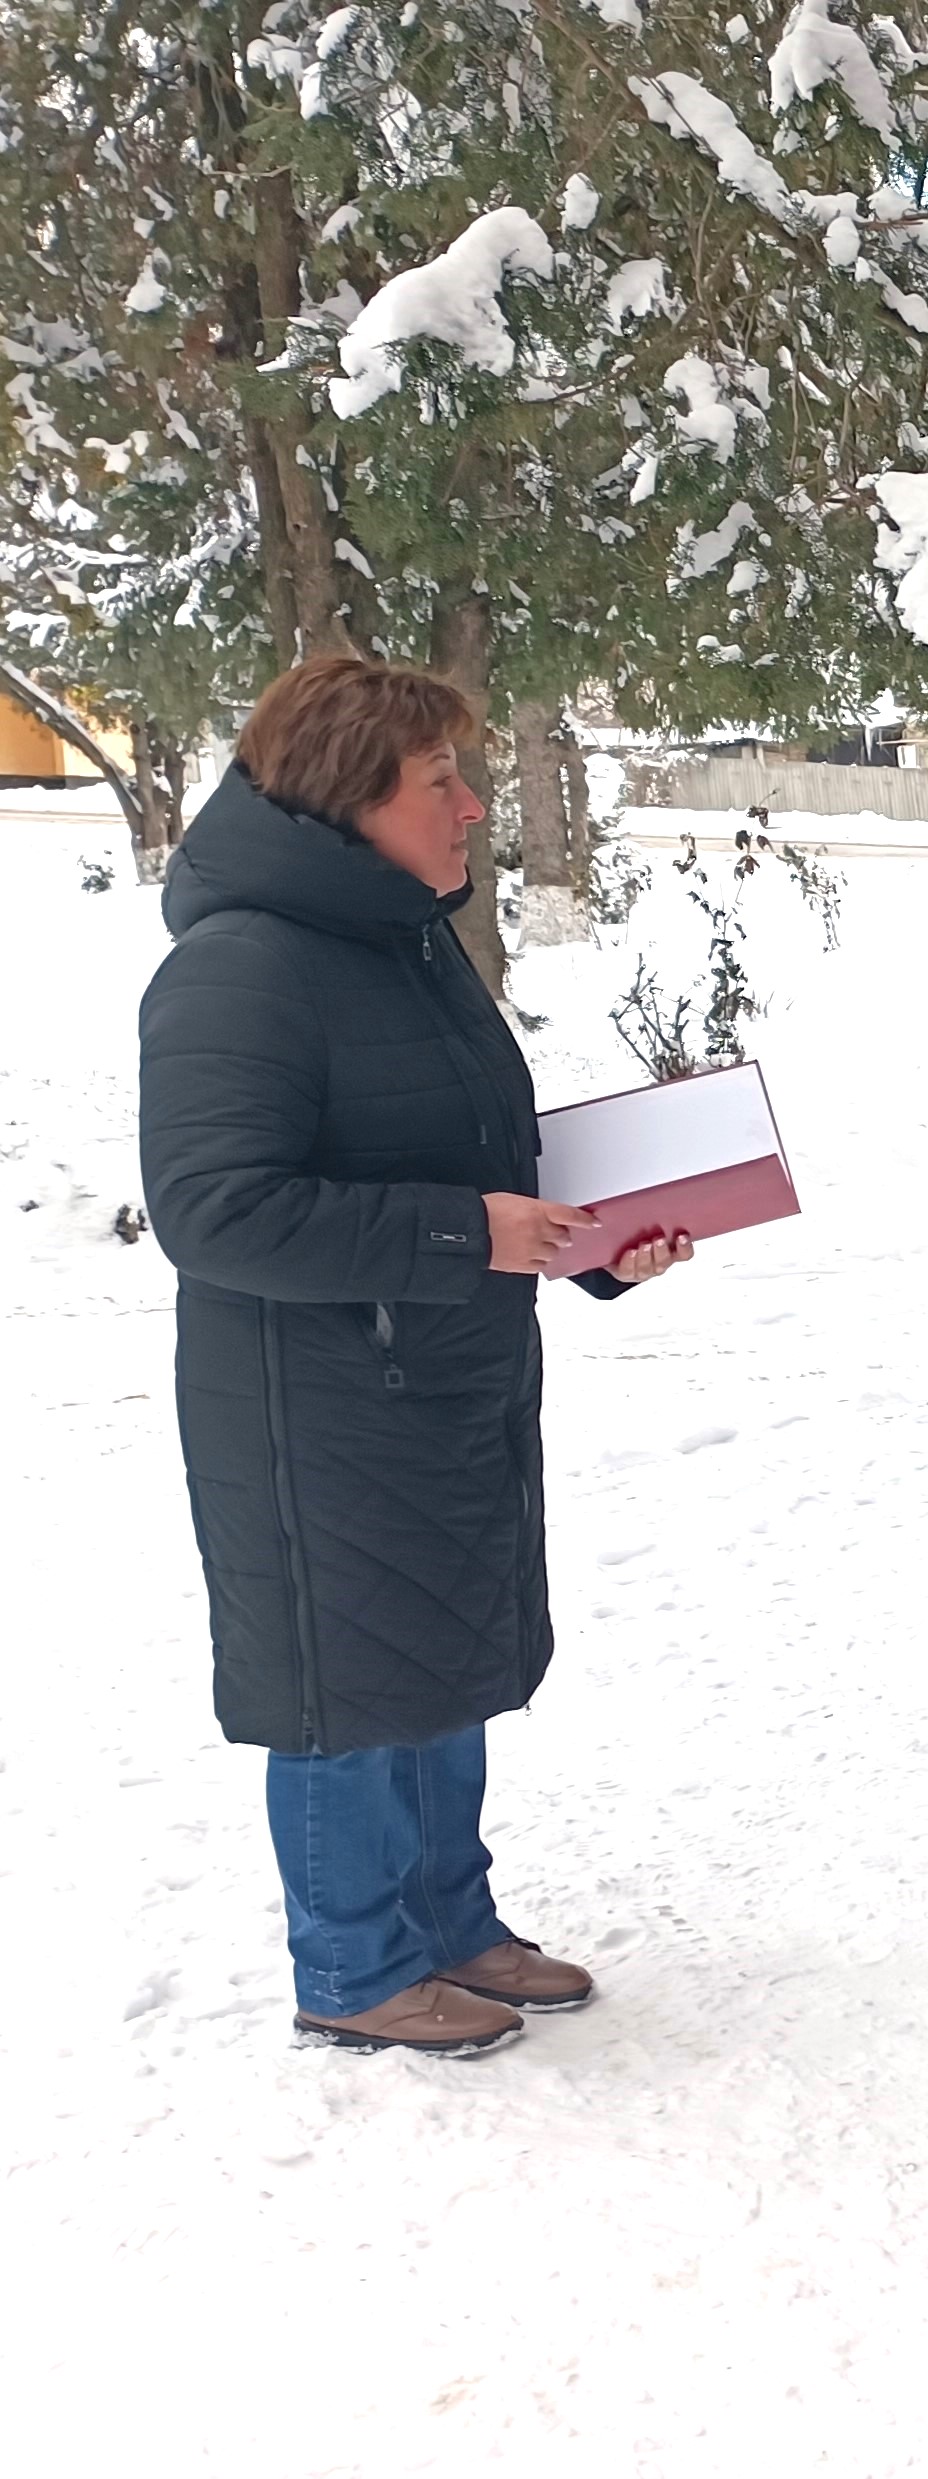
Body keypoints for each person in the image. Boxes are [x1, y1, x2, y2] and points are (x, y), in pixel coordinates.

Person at [138, 654, 694, 2060]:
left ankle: (450, 1921)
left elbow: (462, 1152)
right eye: (439, 779)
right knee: (346, 1687)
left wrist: (592, 1239)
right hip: (314, 1409)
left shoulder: (405, 942)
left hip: (439, 1380)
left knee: (437, 1657)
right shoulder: (241, 965)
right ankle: (352, 1963)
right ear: (352, 801)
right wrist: (469, 1235)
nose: (473, 802)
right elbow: (215, 1213)